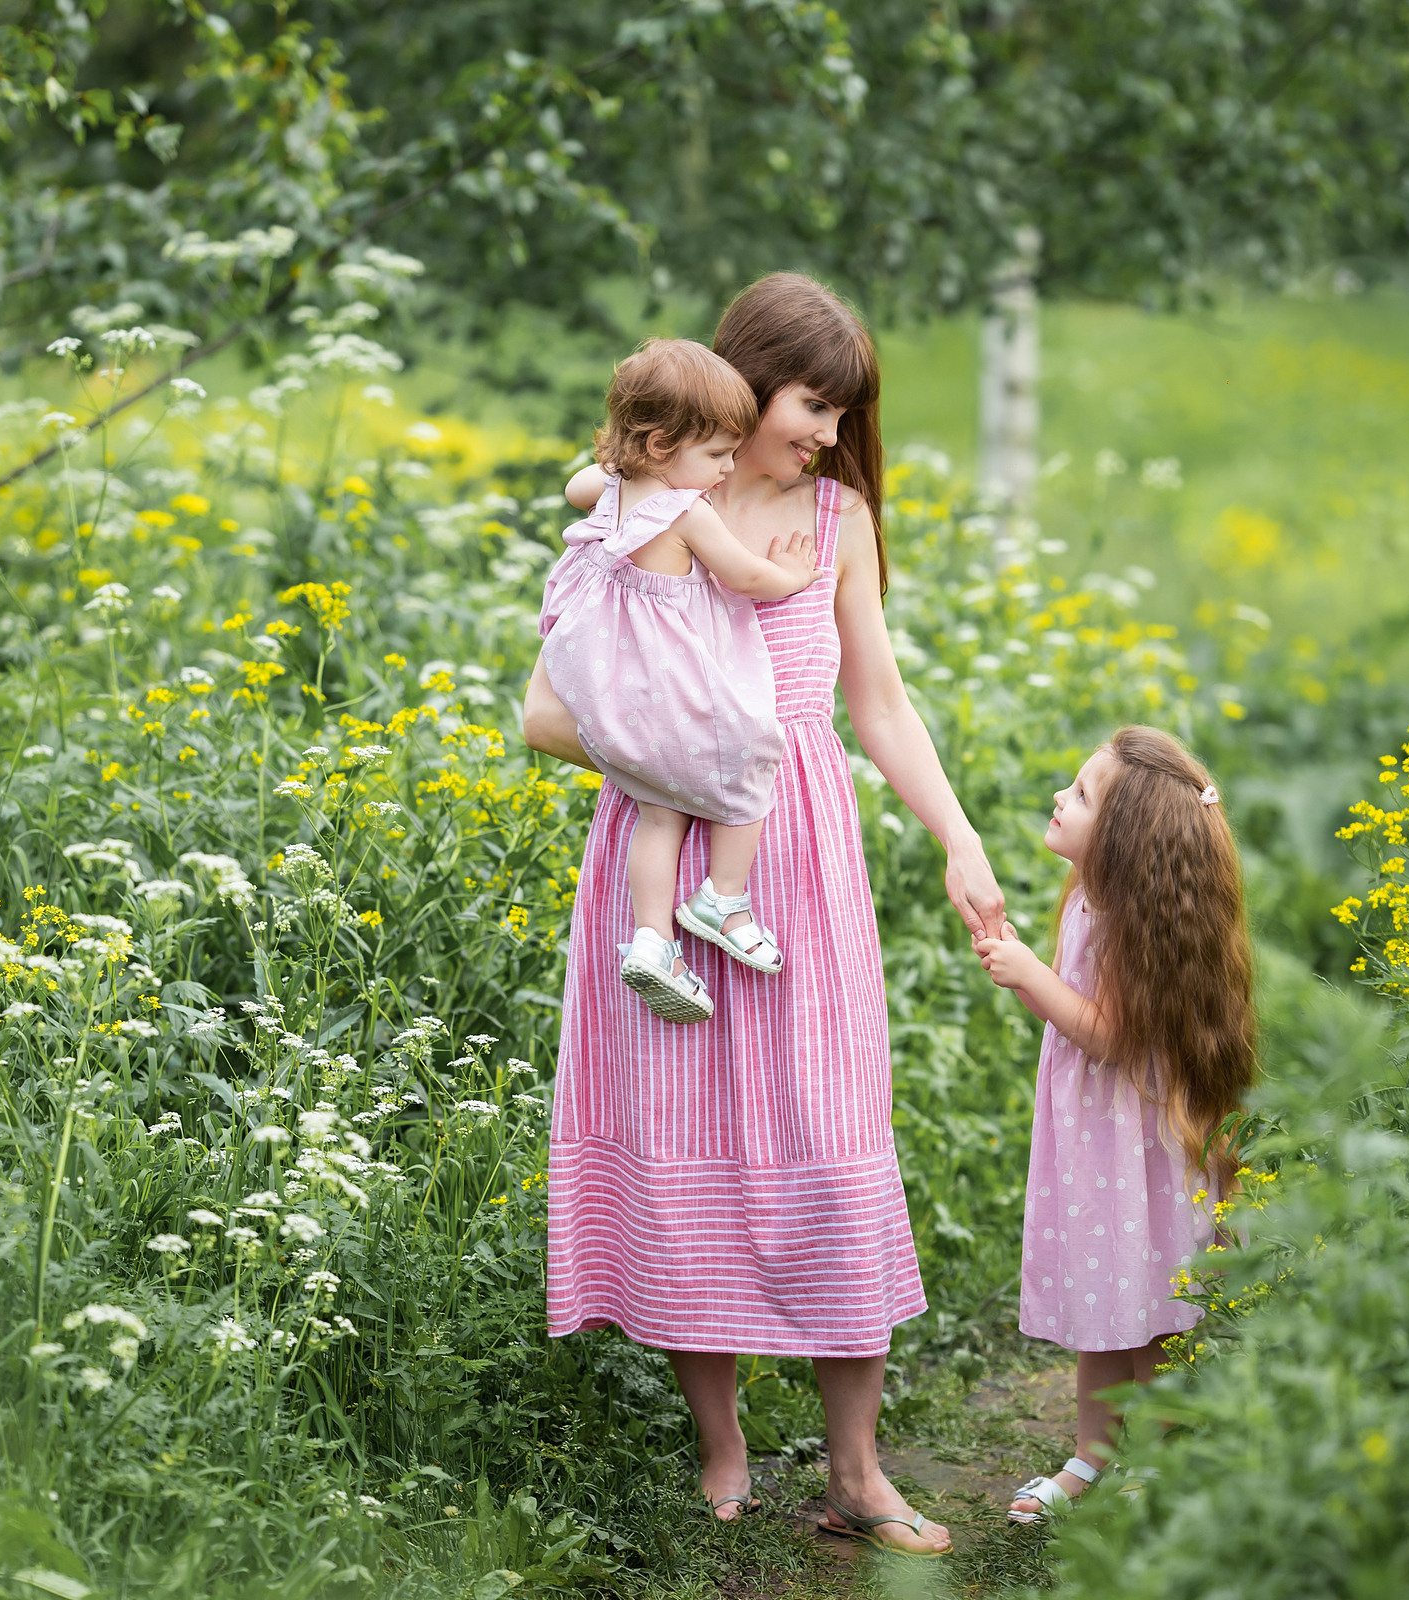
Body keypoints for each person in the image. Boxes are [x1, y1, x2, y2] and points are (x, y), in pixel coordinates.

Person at [523, 273, 1005, 1557]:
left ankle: (855, 1468)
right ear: (746, 381)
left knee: (833, 1133)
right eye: (813, 405)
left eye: (847, 414)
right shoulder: (645, 507)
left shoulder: (837, 515)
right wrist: (681, 754)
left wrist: (959, 837)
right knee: (687, 1131)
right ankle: (722, 1451)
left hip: (800, 864)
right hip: (666, 864)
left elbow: (879, 706)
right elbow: (546, 710)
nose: (830, 435)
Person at [971, 727, 1258, 1524]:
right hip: (1097, 1140)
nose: (1062, 798)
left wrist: (1029, 976)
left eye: (1082, 794)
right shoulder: (1096, 899)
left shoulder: (1134, 921)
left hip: (1137, 1150)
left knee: (1151, 1316)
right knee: (1102, 1304)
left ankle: (1155, 1459)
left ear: (1126, 841)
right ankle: (1089, 1457)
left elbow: (1111, 1035)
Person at [537, 339, 819, 1024]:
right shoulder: (684, 512)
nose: (726, 470)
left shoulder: (612, 491)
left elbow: (579, 482)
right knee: (753, 758)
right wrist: (796, 575)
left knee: (659, 814)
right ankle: (721, 897)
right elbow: (745, 577)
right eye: (717, 454)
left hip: (611, 692)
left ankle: (652, 940)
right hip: (672, 691)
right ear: (663, 444)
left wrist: (621, 461)